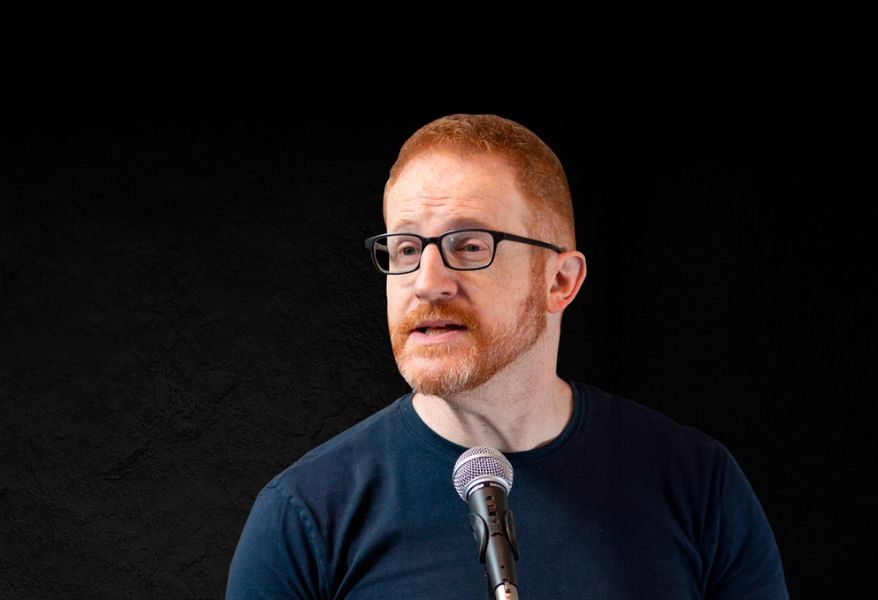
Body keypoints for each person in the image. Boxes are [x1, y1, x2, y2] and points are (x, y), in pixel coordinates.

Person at [226, 114, 788, 598]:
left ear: (560, 280)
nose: (427, 283)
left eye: (469, 245)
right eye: (404, 248)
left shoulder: (698, 484)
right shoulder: (303, 516)